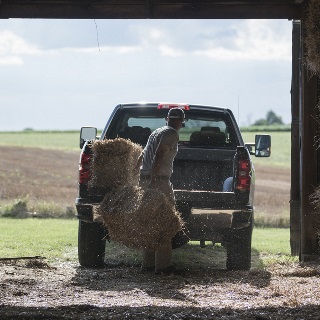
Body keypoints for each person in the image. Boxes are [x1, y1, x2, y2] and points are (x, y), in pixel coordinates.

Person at [136, 107, 185, 274]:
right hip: (158, 181)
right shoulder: (172, 133)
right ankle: (163, 266)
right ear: (181, 122)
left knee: (149, 222)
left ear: (167, 118)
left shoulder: (156, 132)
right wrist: (155, 180)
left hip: (145, 179)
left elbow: (142, 156)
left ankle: (148, 264)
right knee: (165, 222)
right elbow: (160, 155)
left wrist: (138, 176)